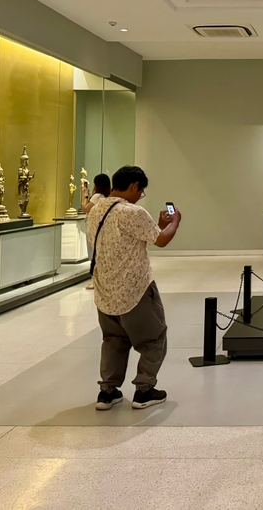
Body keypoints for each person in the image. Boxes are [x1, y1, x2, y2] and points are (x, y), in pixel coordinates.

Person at [86, 165, 181, 411]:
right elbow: (161, 240)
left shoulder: (95, 211)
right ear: (134, 186)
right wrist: (176, 222)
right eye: (141, 191)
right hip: (135, 291)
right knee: (153, 338)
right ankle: (145, 390)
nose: (141, 196)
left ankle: (107, 392)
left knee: (113, 340)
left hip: (105, 291)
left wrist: (157, 224)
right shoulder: (133, 212)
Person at [82, 173, 111, 291]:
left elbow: (85, 208)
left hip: (94, 228)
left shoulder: (97, 196)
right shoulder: (106, 197)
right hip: (103, 228)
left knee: (94, 255)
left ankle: (95, 281)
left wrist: (85, 196)